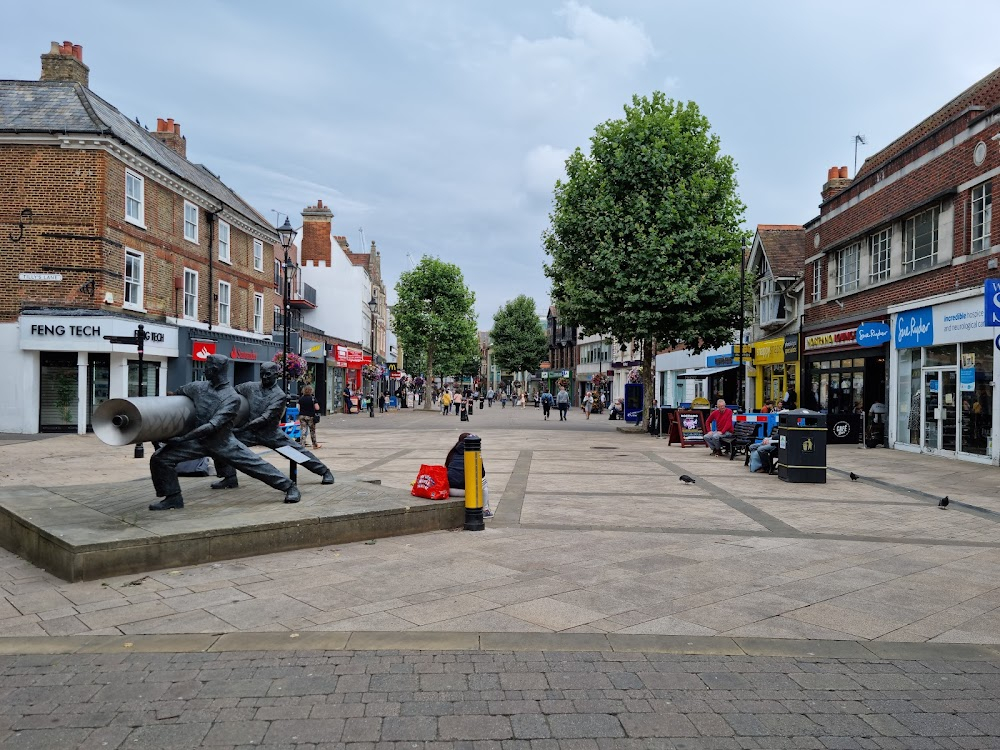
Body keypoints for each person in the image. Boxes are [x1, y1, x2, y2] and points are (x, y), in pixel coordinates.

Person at [148, 354, 300, 510]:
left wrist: (183, 439)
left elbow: (212, 426)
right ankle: (173, 497)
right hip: (199, 441)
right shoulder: (196, 387)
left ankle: (289, 487)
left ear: (214, 369)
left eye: (206, 366)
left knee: (255, 465)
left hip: (222, 442)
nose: (204, 369)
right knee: (160, 458)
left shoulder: (232, 398)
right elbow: (176, 398)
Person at [213, 362, 334, 489]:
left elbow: (265, 417)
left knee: (298, 452)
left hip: (270, 432)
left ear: (276, 375)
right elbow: (231, 393)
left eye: (268, 375)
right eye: (262, 374)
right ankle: (229, 477)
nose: (264, 377)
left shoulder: (279, 395)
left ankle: (324, 472)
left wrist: (242, 428)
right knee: (220, 443)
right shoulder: (249, 387)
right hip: (249, 432)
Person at [445, 432, 491, 518]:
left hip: (449, 490)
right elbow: (481, 474)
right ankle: (486, 510)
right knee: (484, 482)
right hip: (467, 491)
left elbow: (447, 468)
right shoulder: (475, 454)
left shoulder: (452, 453)